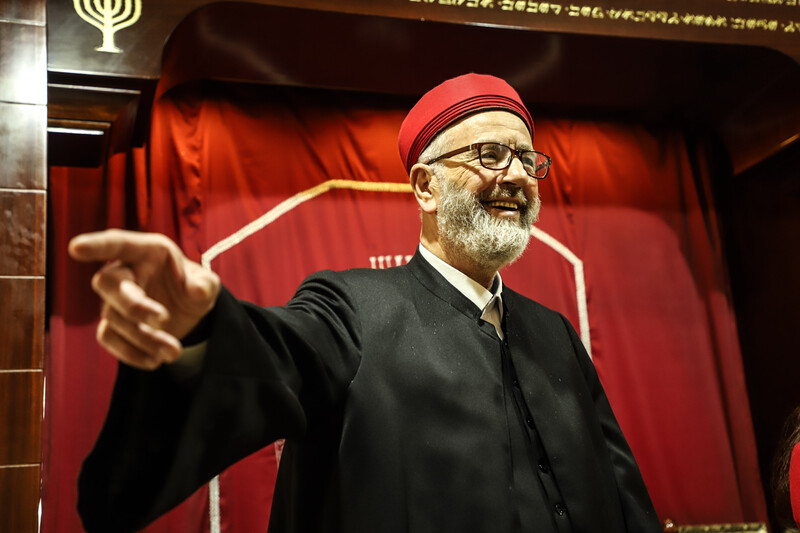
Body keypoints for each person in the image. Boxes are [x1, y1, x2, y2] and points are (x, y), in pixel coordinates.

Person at [70, 73, 661, 533]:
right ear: (426, 187)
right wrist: (198, 335)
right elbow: (272, 358)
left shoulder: (555, 334)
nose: (517, 176)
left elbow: (622, 492)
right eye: (489, 156)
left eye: (528, 160)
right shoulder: (350, 310)